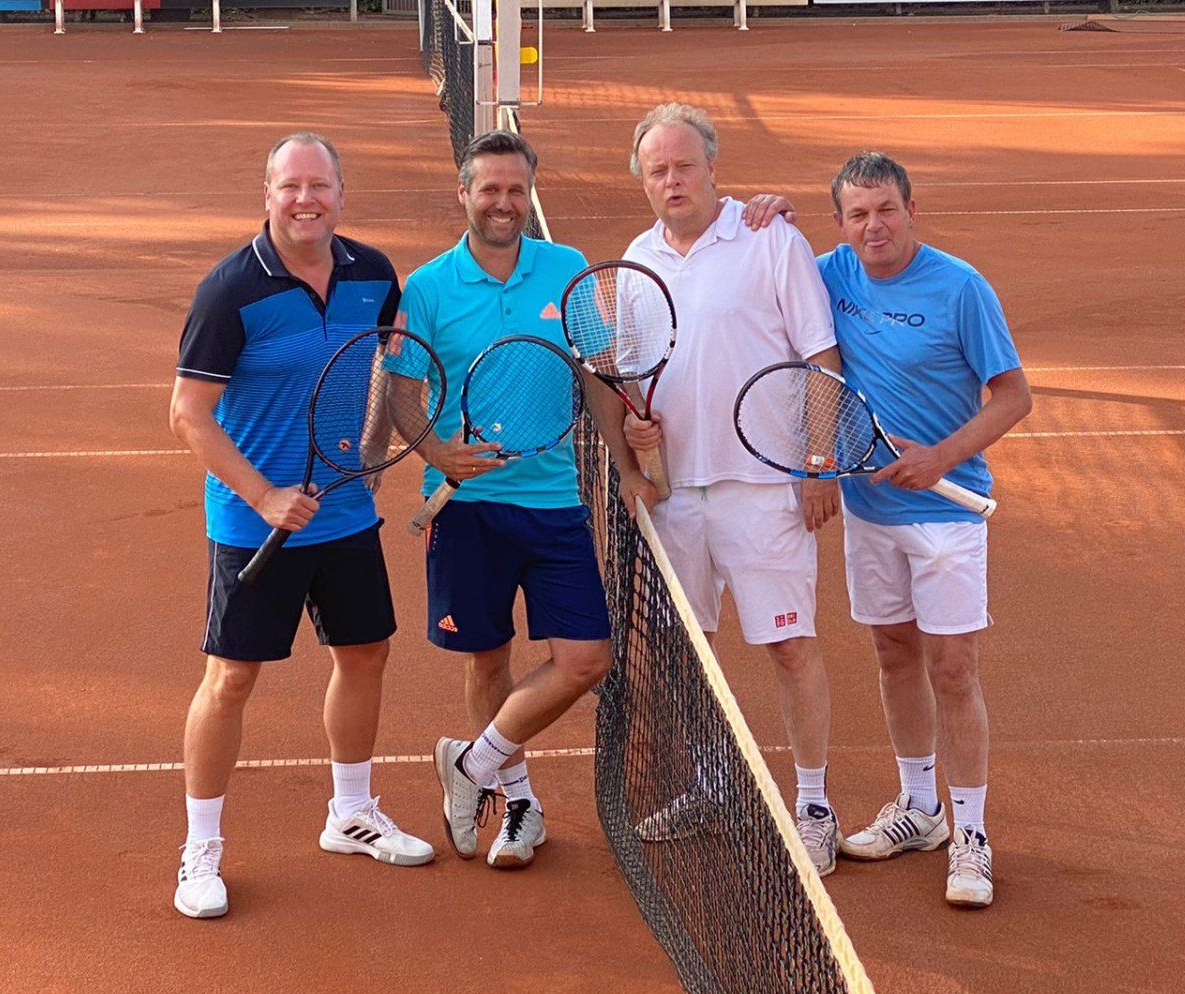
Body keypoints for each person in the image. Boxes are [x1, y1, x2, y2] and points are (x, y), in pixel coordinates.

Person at [167, 132, 435, 920]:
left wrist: (381, 450)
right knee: (231, 679)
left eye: (319, 186)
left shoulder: (372, 274)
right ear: (268, 195)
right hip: (256, 525)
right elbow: (187, 414)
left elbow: (388, 367)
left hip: (344, 512)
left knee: (365, 653)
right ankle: (200, 852)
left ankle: (350, 813)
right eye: (291, 186)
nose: (305, 200)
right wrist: (263, 497)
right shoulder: (229, 292)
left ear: (340, 195)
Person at [392, 130, 656, 867]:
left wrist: (628, 469)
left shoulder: (566, 269)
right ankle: (519, 804)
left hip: (552, 501)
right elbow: (403, 394)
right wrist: (438, 453)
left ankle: (470, 764)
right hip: (464, 509)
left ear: (529, 194)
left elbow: (596, 376)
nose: (502, 203)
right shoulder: (427, 287)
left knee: (586, 658)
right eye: (490, 189)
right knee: (487, 661)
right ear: (464, 194)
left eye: (515, 189)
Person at [617, 102, 849, 873]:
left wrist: (818, 461)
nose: (673, 180)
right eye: (658, 170)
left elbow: (820, 356)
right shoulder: (637, 260)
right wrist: (640, 437)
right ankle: (713, 785)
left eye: (685, 165)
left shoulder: (770, 238)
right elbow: (635, 381)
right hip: (677, 495)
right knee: (691, 655)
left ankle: (813, 806)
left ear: (712, 167)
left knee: (789, 646)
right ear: (644, 181)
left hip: (764, 488)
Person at [815, 151, 1031, 908]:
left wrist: (938, 456)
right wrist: (762, 211)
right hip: (868, 510)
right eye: (858, 214)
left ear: (911, 210)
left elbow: (1014, 397)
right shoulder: (829, 275)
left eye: (886, 210)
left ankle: (971, 834)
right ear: (840, 223)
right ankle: (920, 808)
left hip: (947, 510)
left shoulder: (961, 287)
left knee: (954, 669)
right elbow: (758, 267)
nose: (873, 226)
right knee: (893, 652)